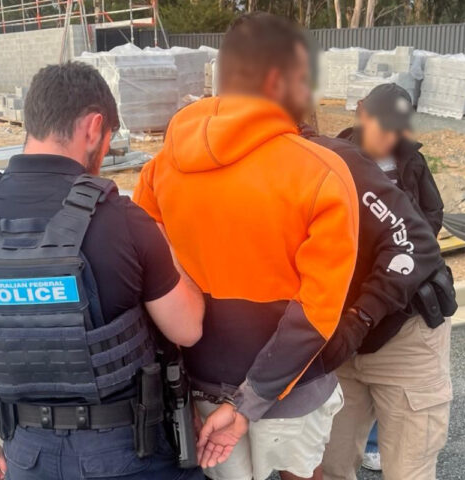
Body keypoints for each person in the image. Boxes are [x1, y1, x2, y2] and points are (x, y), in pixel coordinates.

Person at [0, 62, 206, 480]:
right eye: (109, 140)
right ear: (94, 127)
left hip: (26, 454)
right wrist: (168, 248)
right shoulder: (124, 220)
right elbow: (187, 329)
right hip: (127, 452)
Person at [133, 12, 359, 480]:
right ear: (279, 79)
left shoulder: (159, 170)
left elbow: (147, 287)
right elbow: (318, 312)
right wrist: (250, 400)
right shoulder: (321, 173)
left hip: (198, 383)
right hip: (291, 388)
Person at [302, 83, 455, 480]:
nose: (388, 136)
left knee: (408, 468)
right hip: (342, 338)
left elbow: (426, 228)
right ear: (361, 112)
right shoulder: (330, 159)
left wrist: (390, 248)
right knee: (330, 463)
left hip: (406, 329)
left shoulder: (412, 162)